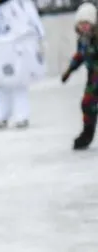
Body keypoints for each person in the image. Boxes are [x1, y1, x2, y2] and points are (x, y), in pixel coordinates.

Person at [0, 0, 46, 129]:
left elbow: (33, 19)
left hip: (19, 47)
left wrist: (40, 38)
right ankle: (2, 116)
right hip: (0, 49)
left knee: (19, 83)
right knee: (3, 84)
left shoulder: (19, 3)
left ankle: (22, 116)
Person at [60, 2, 97, 150]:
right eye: (81, 24)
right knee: (87, 104)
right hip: (93, 76)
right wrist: (69, 71)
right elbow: (80, 56)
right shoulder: (83, 40)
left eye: (86, 23)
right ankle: (87, 134)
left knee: (89, 102)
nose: (83, 27)